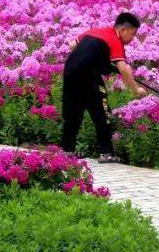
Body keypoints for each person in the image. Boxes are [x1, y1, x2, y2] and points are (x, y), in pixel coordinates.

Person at [61, 13, 147, 162]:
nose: (133, 38)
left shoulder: (94, 31)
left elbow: (72, 45)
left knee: (72, 113)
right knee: (102, 113)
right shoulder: (115, 40)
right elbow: (124, 69)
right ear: (124, 30)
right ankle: (106, 153)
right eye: (133, 34)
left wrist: (96, 58)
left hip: (70, 72)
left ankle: (68, 151)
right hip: (88, 76)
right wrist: (136, 90)